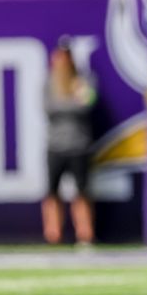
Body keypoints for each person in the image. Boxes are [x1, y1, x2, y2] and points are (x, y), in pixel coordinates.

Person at [41, 36, 97, 245]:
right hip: (55, 145)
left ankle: (85, 233)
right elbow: (49, 108)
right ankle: (53, 234)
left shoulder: (84, 80)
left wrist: (70, 101)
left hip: (79, 145)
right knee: (52, 191)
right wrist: (71, 100)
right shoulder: (49, 82)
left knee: (82, 191)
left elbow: (87, 105)